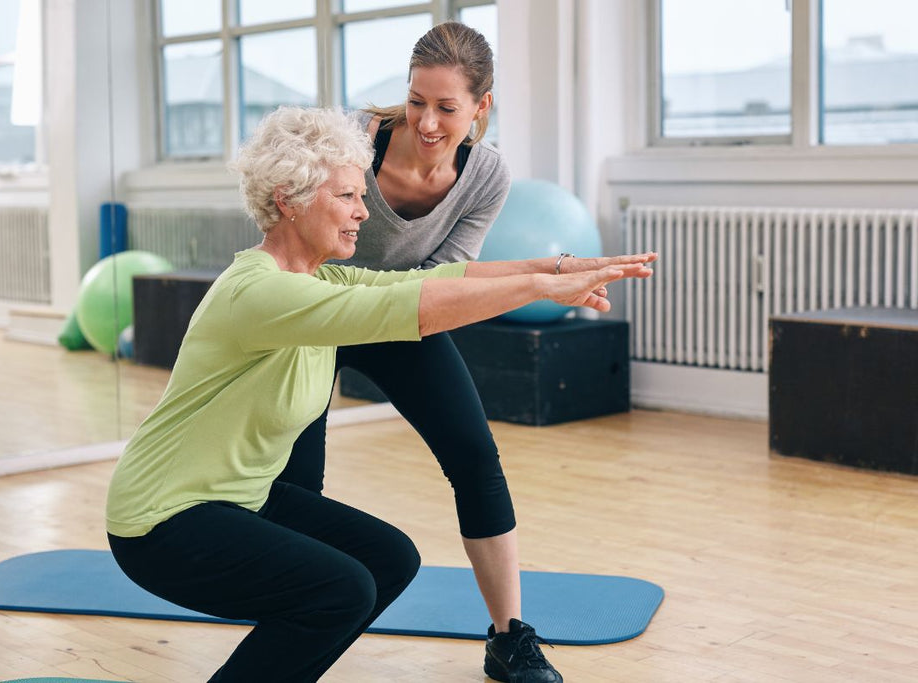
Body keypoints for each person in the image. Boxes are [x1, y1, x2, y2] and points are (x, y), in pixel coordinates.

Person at [105, 106, 655, 683]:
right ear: (289, 199)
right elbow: (407, 309)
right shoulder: (259, 293)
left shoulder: (320, 277)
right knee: (339, 589)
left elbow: (433, 281)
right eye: (347, 196)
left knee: (388, 561)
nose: (364, 212)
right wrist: (541, 289)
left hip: (238, 496)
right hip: (163, 519)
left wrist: (562, 265)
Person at [279, 21, 658, 683]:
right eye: (417, 100)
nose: (427, 121)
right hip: (317, 312)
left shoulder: (484, 174)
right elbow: (286, 230)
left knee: (476, 457)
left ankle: (509, 637)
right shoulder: (351, 140)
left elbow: (445, 279)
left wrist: (546, 275)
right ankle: (289, 618)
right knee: (297, 483)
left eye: (447, 107)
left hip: (402, 315)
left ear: (481, 107)